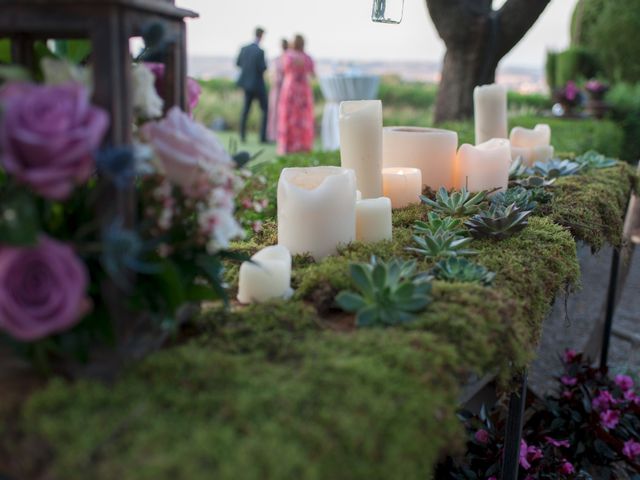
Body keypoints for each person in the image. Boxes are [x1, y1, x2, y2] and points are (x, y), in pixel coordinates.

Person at [277, 34, 315, 155]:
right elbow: (313, 73)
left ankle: (288, 146)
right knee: (302, 118)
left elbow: (283, 70)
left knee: (289, 116)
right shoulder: (307, 57)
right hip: (303, 89)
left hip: (290, 88)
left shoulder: (288, 55)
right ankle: (303, 145)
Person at [236, 27, 268, 143]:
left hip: (246, 84)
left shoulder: (244, 49)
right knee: (265, 110)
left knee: (245, 110)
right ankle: (262, 137)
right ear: (261, 36)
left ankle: (242, 135)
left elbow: (238, 63)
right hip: (258, 85)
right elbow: (263, 68)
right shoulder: (260, 51)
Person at [266, 38, 289, 143]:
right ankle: (275, 135)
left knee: (280, 112)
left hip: (284, 89)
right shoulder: (279, 59)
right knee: (275, 112)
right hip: (278, 88)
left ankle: (278, 135)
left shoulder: (284, 59)